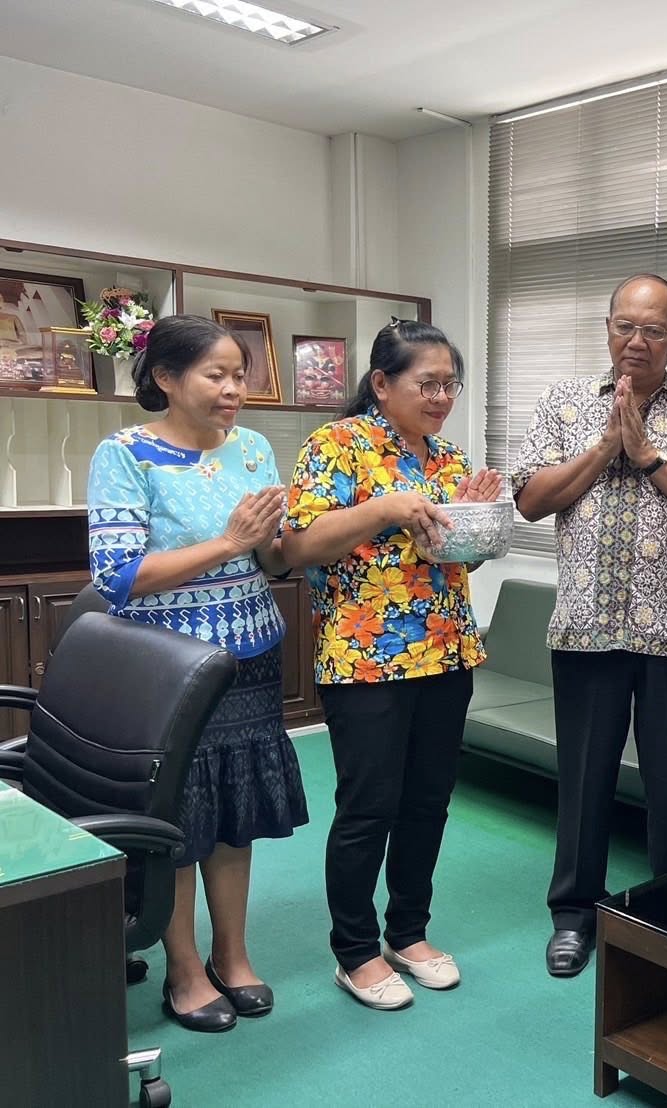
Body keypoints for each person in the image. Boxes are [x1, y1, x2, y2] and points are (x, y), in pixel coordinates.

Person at [511, 273, 667, 978]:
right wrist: (605, 445)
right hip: (584, 626)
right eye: (626, 326)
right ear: (607, 329)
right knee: (583, 780)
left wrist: (647, 456)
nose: (637, 341)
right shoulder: (562, 402)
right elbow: (529, 500)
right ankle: (573, 915)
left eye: (654, 330)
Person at [87, 314, 309, 1033]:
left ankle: (232, 955)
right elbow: (118, 577)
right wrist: (230, 541)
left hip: (249, 658)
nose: (234, 389)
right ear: (166, 378)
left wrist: (281, 542)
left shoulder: (253, 448)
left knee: (235, 816)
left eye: (240, 375)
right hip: (170, 668)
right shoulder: (125, 454)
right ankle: (183, 969)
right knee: (178, 821)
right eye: (217, 375)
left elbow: (270, 559)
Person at [283, 319, 502, 1011]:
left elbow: (456, 560)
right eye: (426, 384)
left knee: (428, 802)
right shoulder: (337, 445)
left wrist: (472, 524)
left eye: (449, 385)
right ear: (382, 383)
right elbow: (300, 546)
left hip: (446, 650)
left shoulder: (449, 459)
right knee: (368, 806)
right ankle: (354, 950)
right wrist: (384, 507)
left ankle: (408, 932)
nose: (441, 398)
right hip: (365, 657)